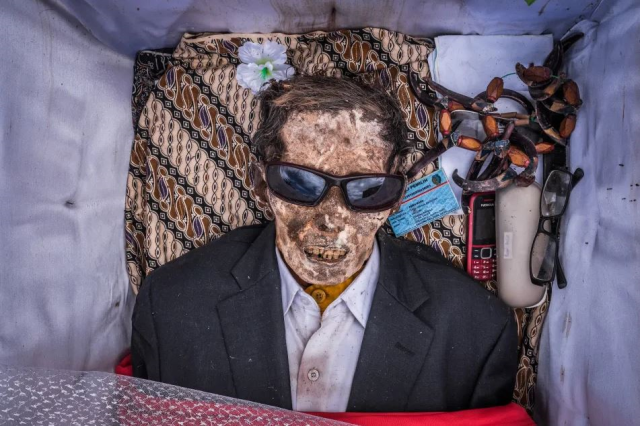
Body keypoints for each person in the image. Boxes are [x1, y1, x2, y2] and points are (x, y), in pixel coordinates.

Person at [131, 76, 517, 412]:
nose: (331, 220)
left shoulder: (475, 331)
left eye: (367, 190)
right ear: (262, 185)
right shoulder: (171, 308)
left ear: (396, 197)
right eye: (300, 183)